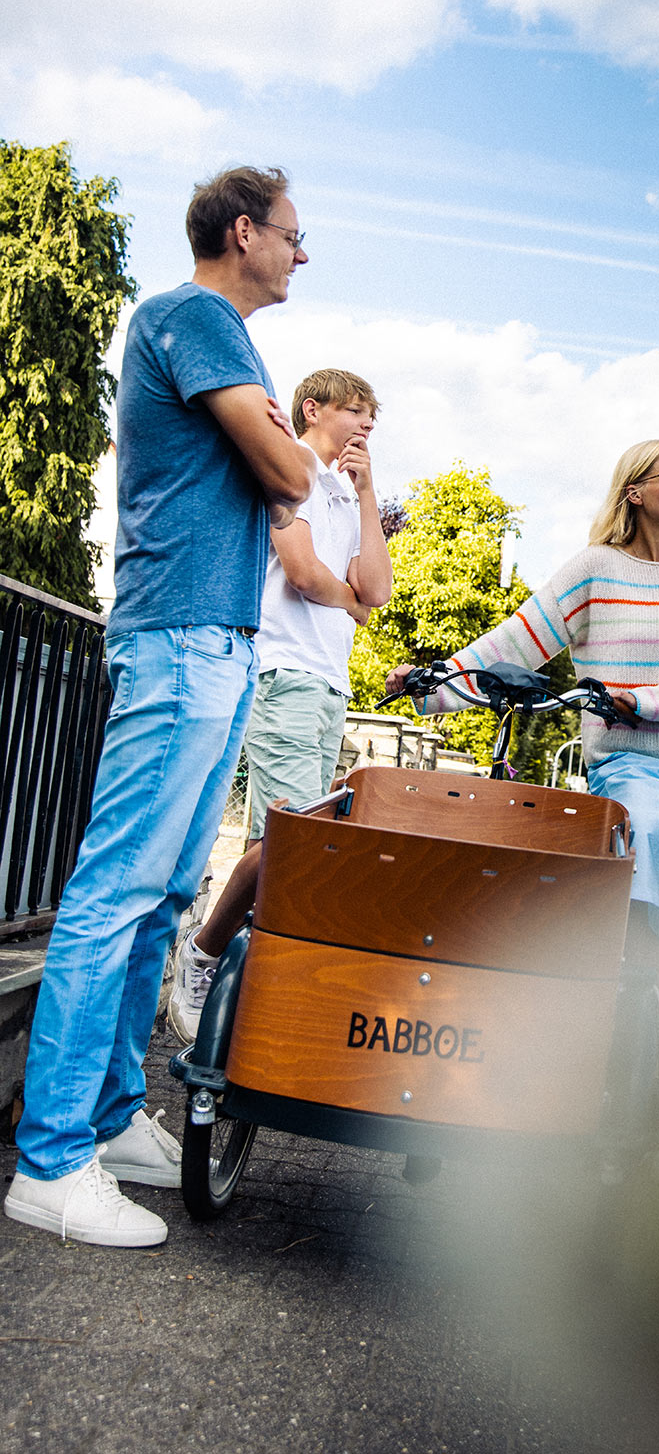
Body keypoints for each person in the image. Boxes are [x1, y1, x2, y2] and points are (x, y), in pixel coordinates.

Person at [5, 166, 316, 1248]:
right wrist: (290, 454)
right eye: (291, 233)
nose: (301, 252)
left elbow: (282, 474)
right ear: (244, 231)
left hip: (215, 643)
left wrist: (286, 460)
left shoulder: (218, 332)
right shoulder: (194, 314)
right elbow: (287, 472)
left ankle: (103, 1116)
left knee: (167, 892)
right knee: (117, 888)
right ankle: (50, 1160)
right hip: (183, 639)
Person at [385, 440, 659, 1157]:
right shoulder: (595, 570)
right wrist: (432, 683)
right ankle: (612, 1087)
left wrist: (643, 701)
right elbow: (515, 643)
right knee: (640, 891)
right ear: (635, 492)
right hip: (631, 772)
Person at [169, 369, 393, 1040]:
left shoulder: (344, 494)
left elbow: (375, 589)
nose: (367, 426)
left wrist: (367, 494)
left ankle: (242, 975)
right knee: (289, 840)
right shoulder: (291, 465)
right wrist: (348, 600)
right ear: (313, 407)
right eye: (357, 411)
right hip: (285, 670)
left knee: (303, 841)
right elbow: (300, 569)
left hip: (328, 684)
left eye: (373, 417)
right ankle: (205, 951)